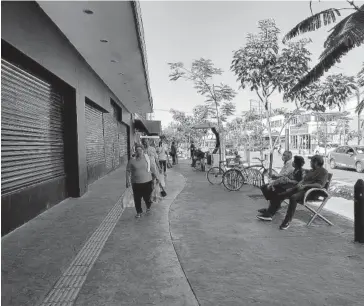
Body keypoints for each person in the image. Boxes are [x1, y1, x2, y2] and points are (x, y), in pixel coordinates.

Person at [277, 154, 329, 230]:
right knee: (282, 193)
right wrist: (300, 183)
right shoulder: (312, 170)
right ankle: (270, 211)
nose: (310, 163)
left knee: (293, 197)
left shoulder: (323, 172)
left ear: (316, 162)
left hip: (311, 192)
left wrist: (306, 185)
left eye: (311, 161)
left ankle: (287, 221)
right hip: (302, 189)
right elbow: (304, 179)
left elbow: (319, 185)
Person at [257, 155, 305, 221]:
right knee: (266, 188)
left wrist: (289, 180)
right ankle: (271, 209)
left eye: (294, 162)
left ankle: (270, 214)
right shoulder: (295, 170)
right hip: (287, 186)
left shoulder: (301, 171)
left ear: (297, 163)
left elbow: (299, 182)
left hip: (292, 188)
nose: (292, 163)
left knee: (277, 193)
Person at [126, 144, 158, 218]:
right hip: (136, 183)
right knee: (137, 198)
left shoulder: (147, 158)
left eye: (140, 150)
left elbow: (152, 168)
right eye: (137, 150)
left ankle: (148, 207)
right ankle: (139, 212)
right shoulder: (132, 160)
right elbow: (127, 170)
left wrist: (156, 177)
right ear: (135, 151)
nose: (139, 151)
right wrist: (127, 181)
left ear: (143, 150)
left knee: (147, 197)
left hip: (147, 181)